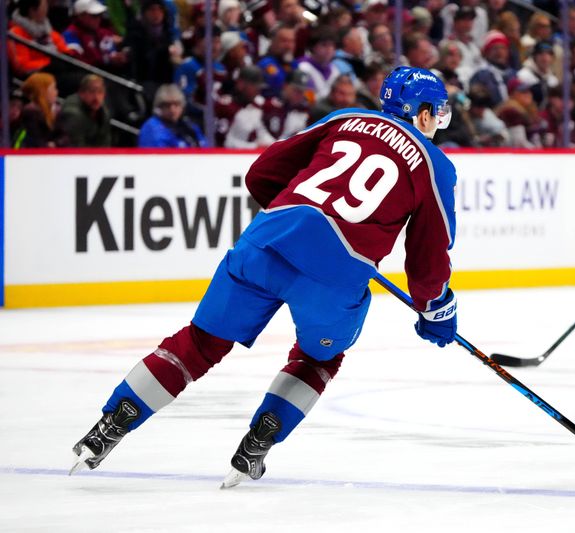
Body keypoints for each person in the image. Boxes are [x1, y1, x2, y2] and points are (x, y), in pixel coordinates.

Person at [70, 66, 459, 488]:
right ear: (422, 113)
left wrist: (296, 220)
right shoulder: (434, 164)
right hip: (334, 276)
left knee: (201, 342)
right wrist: (436, 309)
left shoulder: (345, 118)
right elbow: (428, 259)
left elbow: (262, 172)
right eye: (436, 111)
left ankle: (111, 423)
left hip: (267, 241)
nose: (437, 119)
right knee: (319, 357)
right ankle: (260, 440)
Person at [138, 84, 207, 148]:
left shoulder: (189, 125)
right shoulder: (152, 128)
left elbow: (205, 146)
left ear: (182, 106)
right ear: (159, 107)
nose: (172, 110)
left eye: (176, 105)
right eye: (167, 105)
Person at [55, 74, 112, 147]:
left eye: (100, 92)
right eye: (92, 91)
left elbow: (105, 142)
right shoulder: (72, 114)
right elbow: (76, 147)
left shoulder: (103, 111)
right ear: (81, 93)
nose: (96, 97)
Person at [13, 72, 60, 148]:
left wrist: (57, 143)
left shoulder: (56, 109)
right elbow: (35, 140)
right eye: (53, 88)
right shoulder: (31, 111)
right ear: (43, 91)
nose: (56, 92)